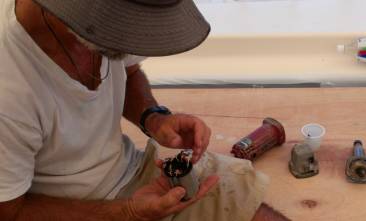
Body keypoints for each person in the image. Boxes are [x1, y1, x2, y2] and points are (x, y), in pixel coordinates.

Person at [0, 0, 290, 220]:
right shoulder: (9, 88)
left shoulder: (97, 25)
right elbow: (9, 211)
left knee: (244, 199)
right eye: (126, 22)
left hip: (132, 172)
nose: (130, 37)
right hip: (72, 211)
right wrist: (127, 211)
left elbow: (128, 71)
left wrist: (153, 117)